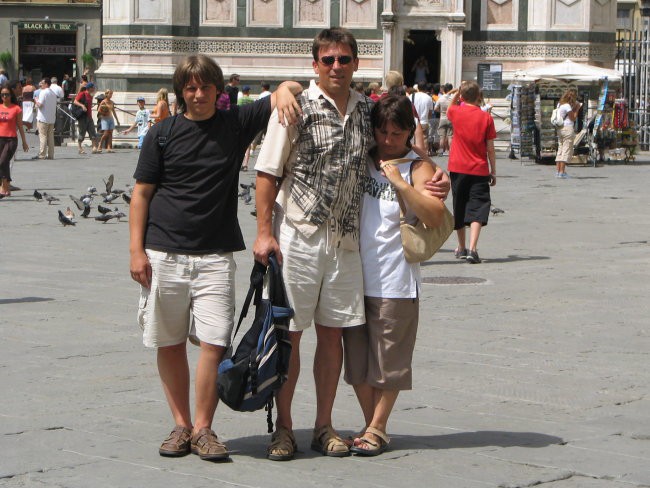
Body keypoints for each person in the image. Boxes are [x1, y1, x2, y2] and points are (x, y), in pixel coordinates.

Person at [254, 27, 450, 462]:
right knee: (289, 336)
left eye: (344, 59)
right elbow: (266, 175)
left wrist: (434, 171)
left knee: (333, 338)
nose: (336, 66)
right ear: (315, 65)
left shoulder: (367, 110)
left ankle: (324, 425)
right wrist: (264, 233)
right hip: (299, 239)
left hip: (345, 244)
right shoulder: (294, 107)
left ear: (357, 63)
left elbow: (396, 143)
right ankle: (283, 428)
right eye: (328, 60)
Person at [129, 53, 302, 462]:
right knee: (169, 343)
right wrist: (136, 250)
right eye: (190, 87)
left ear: (218, 90)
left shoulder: (235, 124)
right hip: (164, 252)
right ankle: (181, 425)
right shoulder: (162, 134)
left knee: (214, 343)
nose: (199, 94)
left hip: (215, 257)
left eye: (206, 86)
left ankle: (204, 428)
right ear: (180, 92)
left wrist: (280, 90)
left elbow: (294, 86)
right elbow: (141, 194)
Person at [342, 95, 446, 456]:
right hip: (354, 275)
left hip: (395, 279)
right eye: (383, 131)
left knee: (390, 361)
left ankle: (377, 427)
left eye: (397, 133)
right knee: (357, 362)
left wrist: (401, 184)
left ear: (409, 131)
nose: (388, 140)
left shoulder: (417, 168)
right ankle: (373, 425)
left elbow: (435, 216)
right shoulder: (363, 158)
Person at [446, 81, 496, 264]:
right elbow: (490, 148)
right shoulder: (486, 118)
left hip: (457, 167)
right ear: (479, 96)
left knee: (459, 205)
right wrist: (494, 171)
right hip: (479, 168)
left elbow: (449, 107)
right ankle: (473, 249)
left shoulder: (456, 112)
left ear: (462, 96)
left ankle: (461, 247)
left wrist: (457, 94)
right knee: (478, 206)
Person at [0, 84, 29, 197]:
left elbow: (20, 126)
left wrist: (24, 142)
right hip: (0, 139)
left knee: (2, 161)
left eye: (7, 94)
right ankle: (6, 188)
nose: (5, 97)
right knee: (4, 163)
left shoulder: (16, 109)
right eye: (2, 95)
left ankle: (4, 186)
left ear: (11, 96)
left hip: (11, 139)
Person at [555, 89, 581, 179]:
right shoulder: (567, 106)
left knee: (560, 149)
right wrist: (577, 109)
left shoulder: (560, 104)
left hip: (560, 128)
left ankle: (558, 171)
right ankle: (562, 172)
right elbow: (573, 118)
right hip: (567, 129)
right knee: (566, 150)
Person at [72, 82, 100, 154]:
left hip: (89, 117)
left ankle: (94, 147)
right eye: (93, 87)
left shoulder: (91, 95)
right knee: (82, 133)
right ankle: (80, 148)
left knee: (93, 132)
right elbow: (75, 101)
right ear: (90, 88)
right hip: (83, 117)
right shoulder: (82, 94)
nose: (94, 88)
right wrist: (82, 106)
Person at [34, 78, 57, 160]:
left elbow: (40, 105)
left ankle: (42, 154)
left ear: (46, 84)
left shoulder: (43, 92)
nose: (41, 84)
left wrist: (36, 100)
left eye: (42, 83)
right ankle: (51, 155)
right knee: (50, 137)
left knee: (43, 136)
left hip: (43, 118)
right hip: (51, 118)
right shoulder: (53, 93)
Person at [237, 86, 255, 171]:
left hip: (240, 123)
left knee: (239, 144)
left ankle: (238, 162)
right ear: (248, 92)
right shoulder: (251, 100)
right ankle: (245, 164)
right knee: (248, 145)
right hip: (249, 123)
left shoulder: (239, 100)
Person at [434, 83, 454, 155]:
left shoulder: (441, 98)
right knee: (450, 136)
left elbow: (435, 108)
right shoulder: (453, 97)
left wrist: (441, 111)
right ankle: (450, 151)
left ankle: (441, 151)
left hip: (442, 118)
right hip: (451, 118)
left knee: (442, 136)